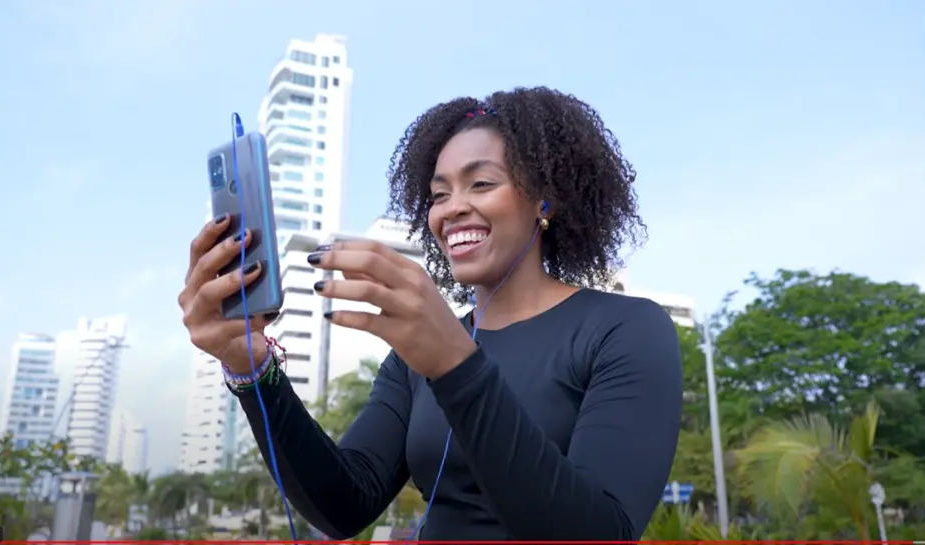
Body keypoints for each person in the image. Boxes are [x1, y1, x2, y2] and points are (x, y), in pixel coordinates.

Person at [178, 87, 683, 540]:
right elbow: (342, 505)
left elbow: (599, 535)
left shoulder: (627, 329)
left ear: (545, 201)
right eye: (438, 194)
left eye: (481, 184)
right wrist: (251, 370)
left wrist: (458, 367)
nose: (451, 209)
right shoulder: (419, 352)